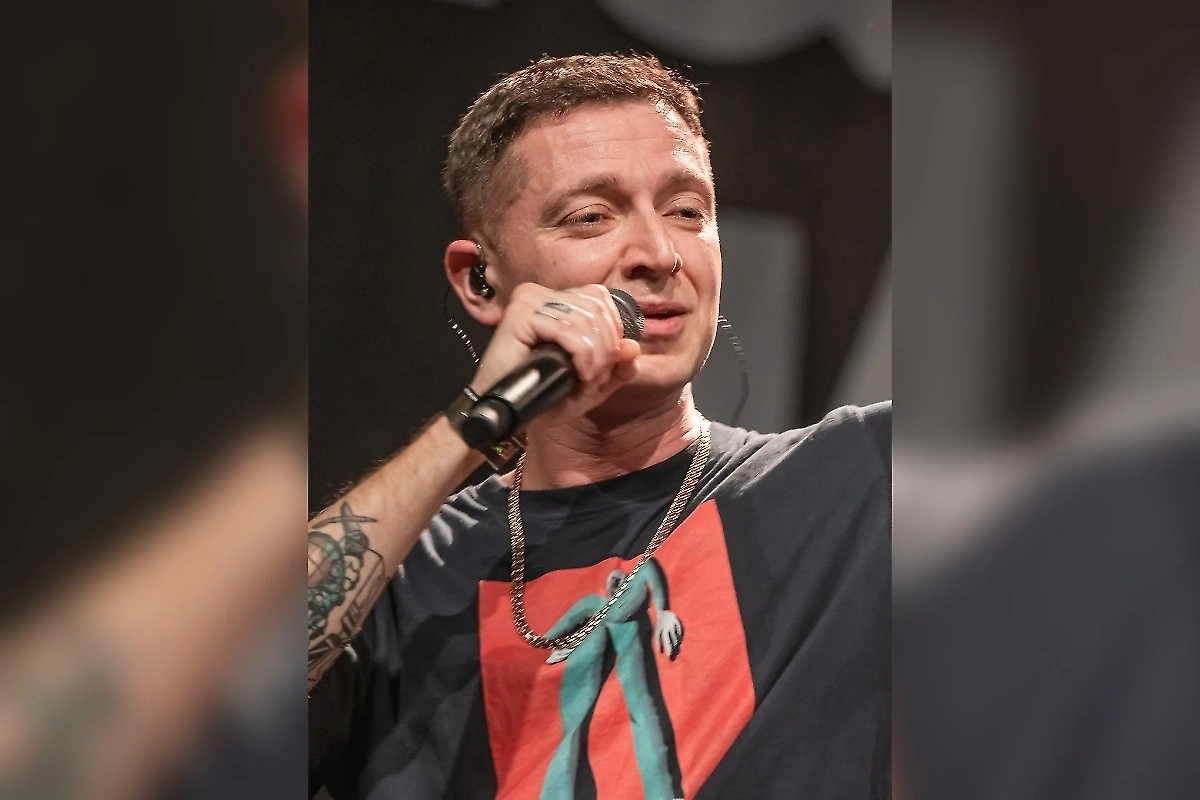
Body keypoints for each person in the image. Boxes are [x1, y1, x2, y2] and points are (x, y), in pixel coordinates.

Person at [308, 54, 891, 800]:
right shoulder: (402, 579)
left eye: (688, 211)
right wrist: (474, 424)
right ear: (480, 280)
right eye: (591, 216)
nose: (660, 255)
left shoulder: (861, 486)